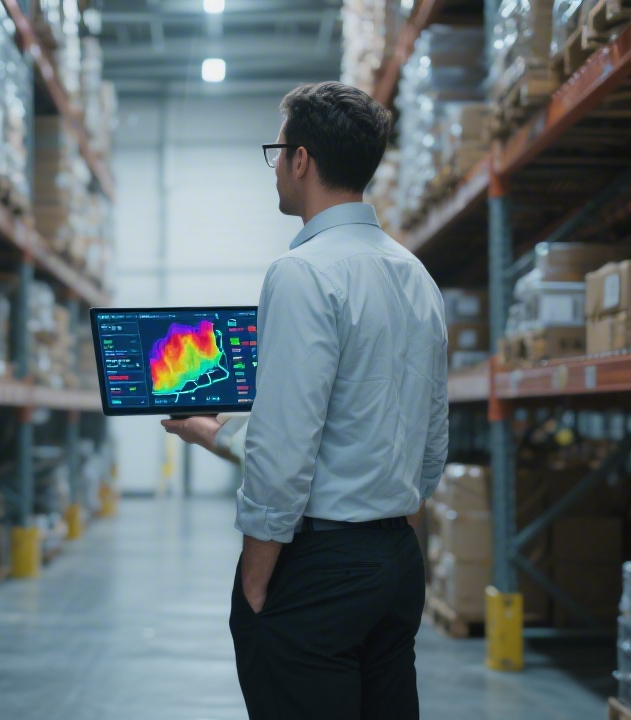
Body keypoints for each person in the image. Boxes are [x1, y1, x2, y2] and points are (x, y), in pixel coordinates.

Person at [163, 81, 448, 719]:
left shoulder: (303, 274)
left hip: (319, 566)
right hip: (396, 563)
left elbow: (285, 450)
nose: (277, 168)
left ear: (300, 160)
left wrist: (257, 579)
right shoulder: (415, 275)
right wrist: (212, 433)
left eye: (278, 151)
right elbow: (430, 438)